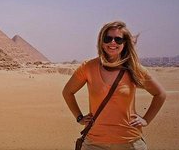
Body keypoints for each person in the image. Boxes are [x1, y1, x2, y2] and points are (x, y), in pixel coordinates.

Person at [62, 21, 166, 150]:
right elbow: (67, 92)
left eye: (118, 39)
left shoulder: (134, 69)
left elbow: (160, 94)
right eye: (108, 38)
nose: (112, 43)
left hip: (130, 142)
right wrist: (79, 117)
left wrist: (146, 120)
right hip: (94, 142)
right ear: (101, 41)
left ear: (125, 43)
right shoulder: (88, 67)